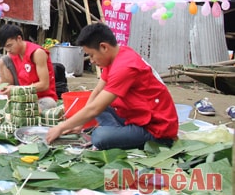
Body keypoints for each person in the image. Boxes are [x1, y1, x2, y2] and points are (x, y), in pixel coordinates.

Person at [46, 23, 178, 150]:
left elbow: (95, 109)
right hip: (136, 116)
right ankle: (118, 133)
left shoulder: (124, 67)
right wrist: (80, 123)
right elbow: (97, 91)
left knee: (99, 137)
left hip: (156, 129)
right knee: (97, 103)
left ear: (104, 47)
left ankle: (118, 135)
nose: (91, 60)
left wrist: (61, 127)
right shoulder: (118, 54)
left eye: (91, 55)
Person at [0, 24, 58, 111]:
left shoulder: (37, 53)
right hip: (22, 94)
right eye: (5, 47)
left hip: (42, 97)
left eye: (9, 46)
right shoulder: (11, 54)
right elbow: (3, 79)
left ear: (19, 39)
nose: (8, 50)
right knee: (2, 60)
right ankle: (8, 97)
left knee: (47, 105)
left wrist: (16, 89)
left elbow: (44, 85)